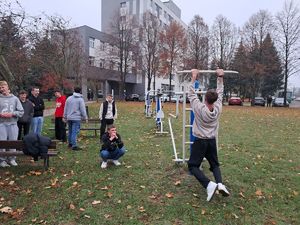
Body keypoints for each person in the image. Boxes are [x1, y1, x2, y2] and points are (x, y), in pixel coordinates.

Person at [187, 69, 230, 202]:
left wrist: (194, 77)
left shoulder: (199, 108)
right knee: (215, 165)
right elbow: (220, 92)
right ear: (215, 99)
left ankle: (209, 185)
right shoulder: (218, 108)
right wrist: (220, 77)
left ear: (205, 98)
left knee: (193, 166)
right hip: (211, 141)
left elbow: (191, 93)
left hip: (200, 141)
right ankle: (220, 184)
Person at [0, 81, 24, 167]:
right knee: (2, 143)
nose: (1, 89)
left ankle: (12, 159)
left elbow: (21, 112)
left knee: (13, 141)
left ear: (7, 87)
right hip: (2, 124)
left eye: (3, 87)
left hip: (13, 123)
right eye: (0, 88)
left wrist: (12, 114)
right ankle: (2, 160)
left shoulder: (15, 99)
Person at [63, 87, 88, 151]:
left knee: (70, 131)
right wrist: (85, 117)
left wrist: (64, 116)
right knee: (75, 131)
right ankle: (74, 145)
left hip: (69, 117)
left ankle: (70, 144)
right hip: (76, 118)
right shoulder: (80, 99)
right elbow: (82, 109)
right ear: (80, 91)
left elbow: (65, 108)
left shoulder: (69, 98)